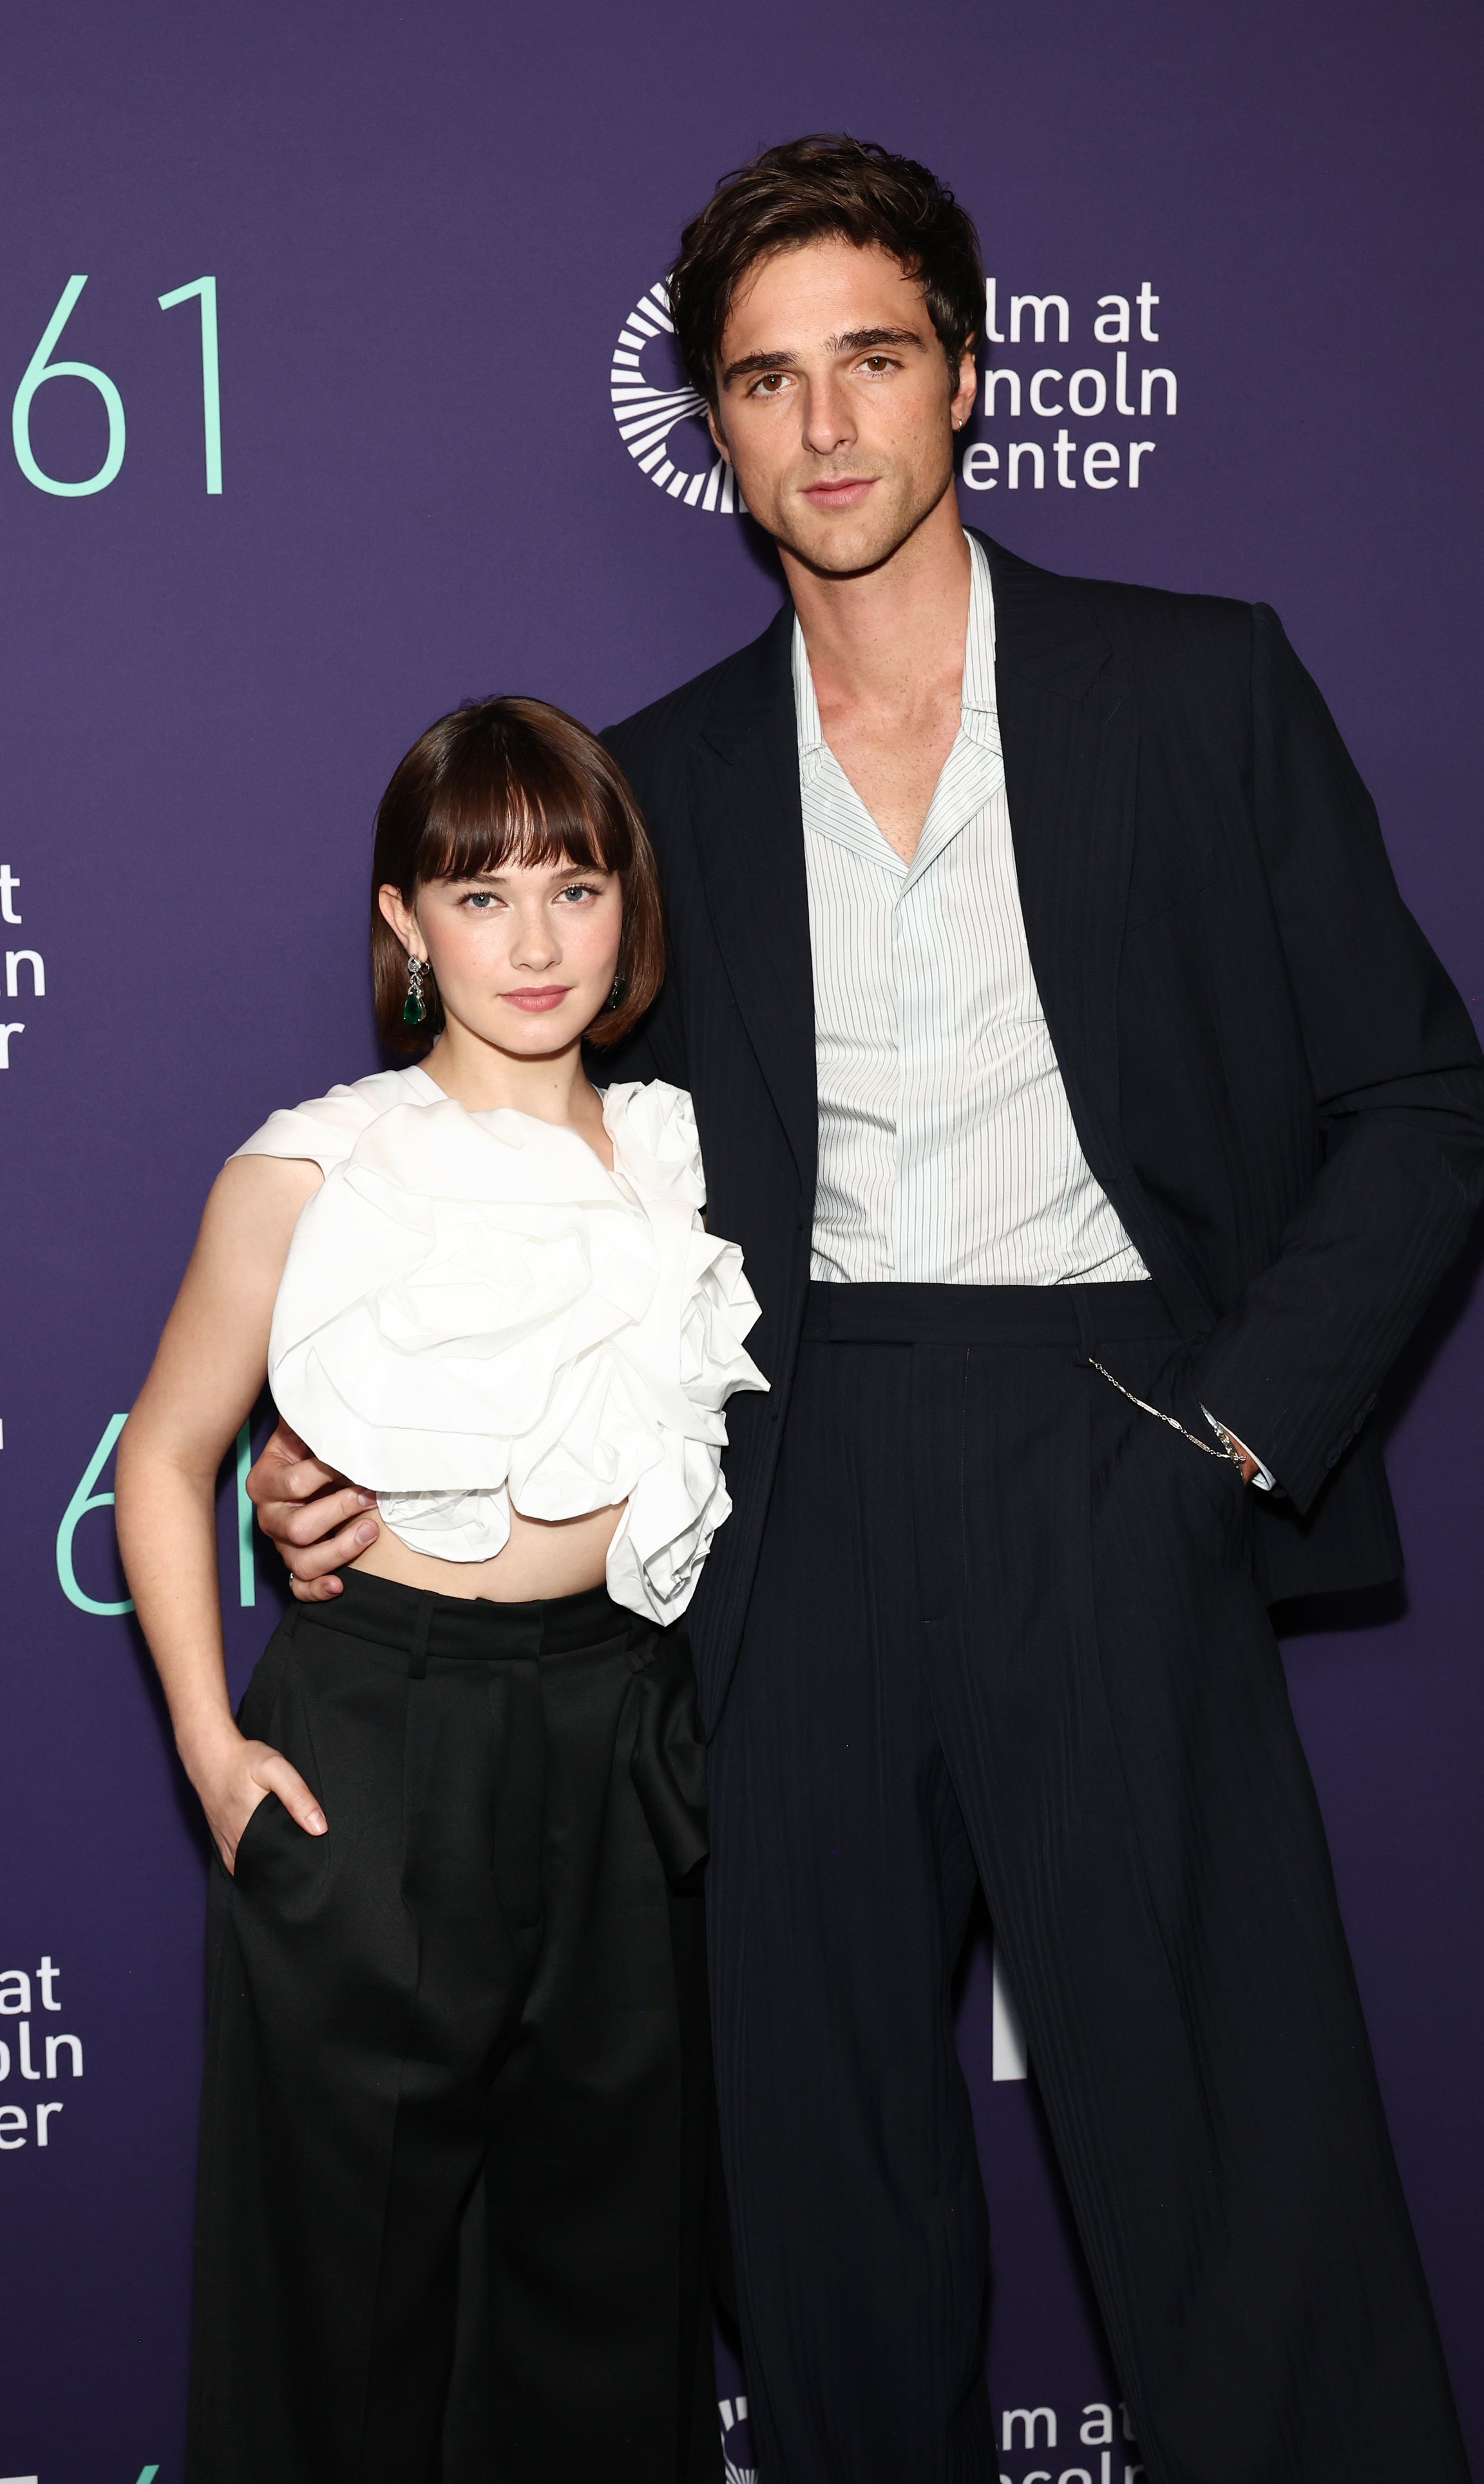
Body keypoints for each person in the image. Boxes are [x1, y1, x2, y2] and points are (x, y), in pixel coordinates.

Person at [248, 139, 1483, 2484]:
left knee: (1240, 2175)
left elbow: (1421, 1100)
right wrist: (359, 1446)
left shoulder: (1196, 685)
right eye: (765, 381)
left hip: (1120, 1442)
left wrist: (1233, 1439)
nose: (825, 427)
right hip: (788, 1503)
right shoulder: (653, 788)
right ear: (716, 428)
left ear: (969, 378)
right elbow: (529, 1172)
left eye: (873, 361)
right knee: (818, 2204)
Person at [115, 696, 765, 2484]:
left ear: (628, 902)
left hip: (628, 1742)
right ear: (406, 921)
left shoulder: (695, 1157)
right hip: (380, 1742)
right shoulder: (313, 1167)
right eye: (483, 896)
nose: (536, 942)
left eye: (574, 887)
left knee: (607, 2305)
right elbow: (165, 1459)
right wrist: (210, 1752)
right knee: (340, 2313)